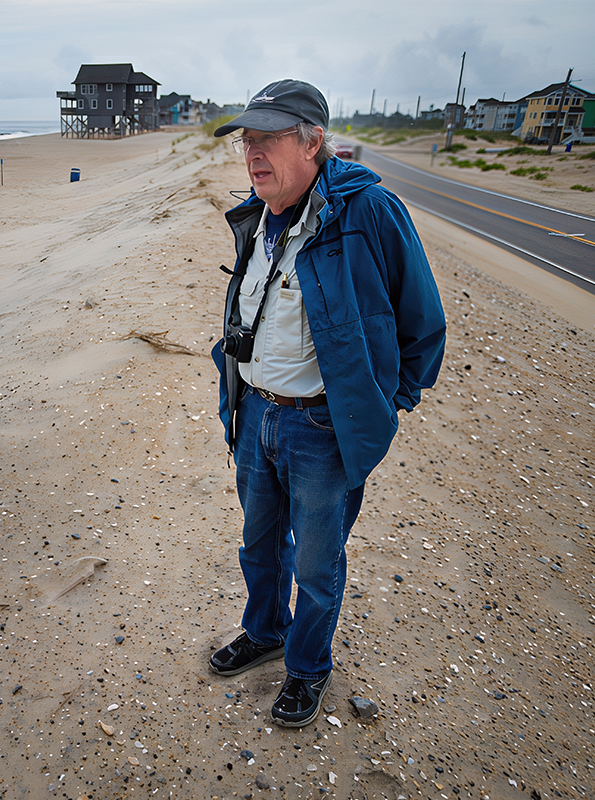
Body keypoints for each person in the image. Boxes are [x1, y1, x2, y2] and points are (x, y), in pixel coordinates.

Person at [209, 80, 446, 727]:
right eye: (247, 141)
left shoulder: (368, 211)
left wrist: (384, 404)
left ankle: (307, 667)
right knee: (259, 548)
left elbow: (422, 324)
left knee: (316, 565)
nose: (252, 153)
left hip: (322, 428)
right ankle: (265, 632)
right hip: (257, 414)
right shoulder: (259, 212)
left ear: (313, 140)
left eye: (268, 138)